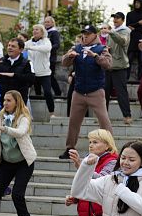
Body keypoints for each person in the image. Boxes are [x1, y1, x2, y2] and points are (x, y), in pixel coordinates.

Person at [60, 25, 113, 159]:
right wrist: (69, 57)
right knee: (73, 122)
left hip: (96, 91)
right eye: (83, 33)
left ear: (95, 35)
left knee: (104, 121)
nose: (85, 36)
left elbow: (108, 64)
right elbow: (64, 63)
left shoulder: (102, 48)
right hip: (78, 91)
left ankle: (111, 150)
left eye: (88, 34)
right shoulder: (76, 48)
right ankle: (69, 148)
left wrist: (95, 56)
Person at [105, 12, 133, 125]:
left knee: (121, 93)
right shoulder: (112, 32)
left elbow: (122, 42)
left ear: (122, 19)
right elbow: (110, 46)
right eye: (114, 18)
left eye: (117, 18)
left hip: (120, 67)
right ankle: (103, 117)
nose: (115, 20)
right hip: (108, 66)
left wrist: (111, 32)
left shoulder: (125, 31)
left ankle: (127, 116)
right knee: (104, 93)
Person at [0, 38, 35, 106]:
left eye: (13, 46)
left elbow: (31, 79)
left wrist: (14, 75)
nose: (10, 48)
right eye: (9, 45)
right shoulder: (1, 62)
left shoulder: (27, 63)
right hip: (2, 99)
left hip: (18, 100)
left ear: (21, 49)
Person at [26, 24, 55, 116]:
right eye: (33, 29)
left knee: (47, 92)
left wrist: (31, 48)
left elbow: (46, 49)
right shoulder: (29, 42)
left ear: (42, 32)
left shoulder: (46, 41)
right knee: (24, 92)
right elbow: (21, 47)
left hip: (44, 73)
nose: (34, 31)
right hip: (32, 73)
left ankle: (51, 113)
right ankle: (25, 114)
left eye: (37, 30)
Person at [127, 0, 142, 81]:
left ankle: (140, 79)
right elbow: (128, 26)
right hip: (132, 41)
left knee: (141, 61)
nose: (136, 4)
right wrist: (138, 23)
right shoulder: (130, 14)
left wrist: (134, 27)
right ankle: (126, 79)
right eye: (135, 2)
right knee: (129, 60)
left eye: (138, 3)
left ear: (141, 4)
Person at [44, 16, 63, 97]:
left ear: (52, 23)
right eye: (45, 22)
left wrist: (48, 48)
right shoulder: (44, 32)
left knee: (50, 76)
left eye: (48, 22)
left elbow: (57, 45)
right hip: (44, 58)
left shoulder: (54, 32)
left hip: (51, 58)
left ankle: (58, 93)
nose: (46, 23)